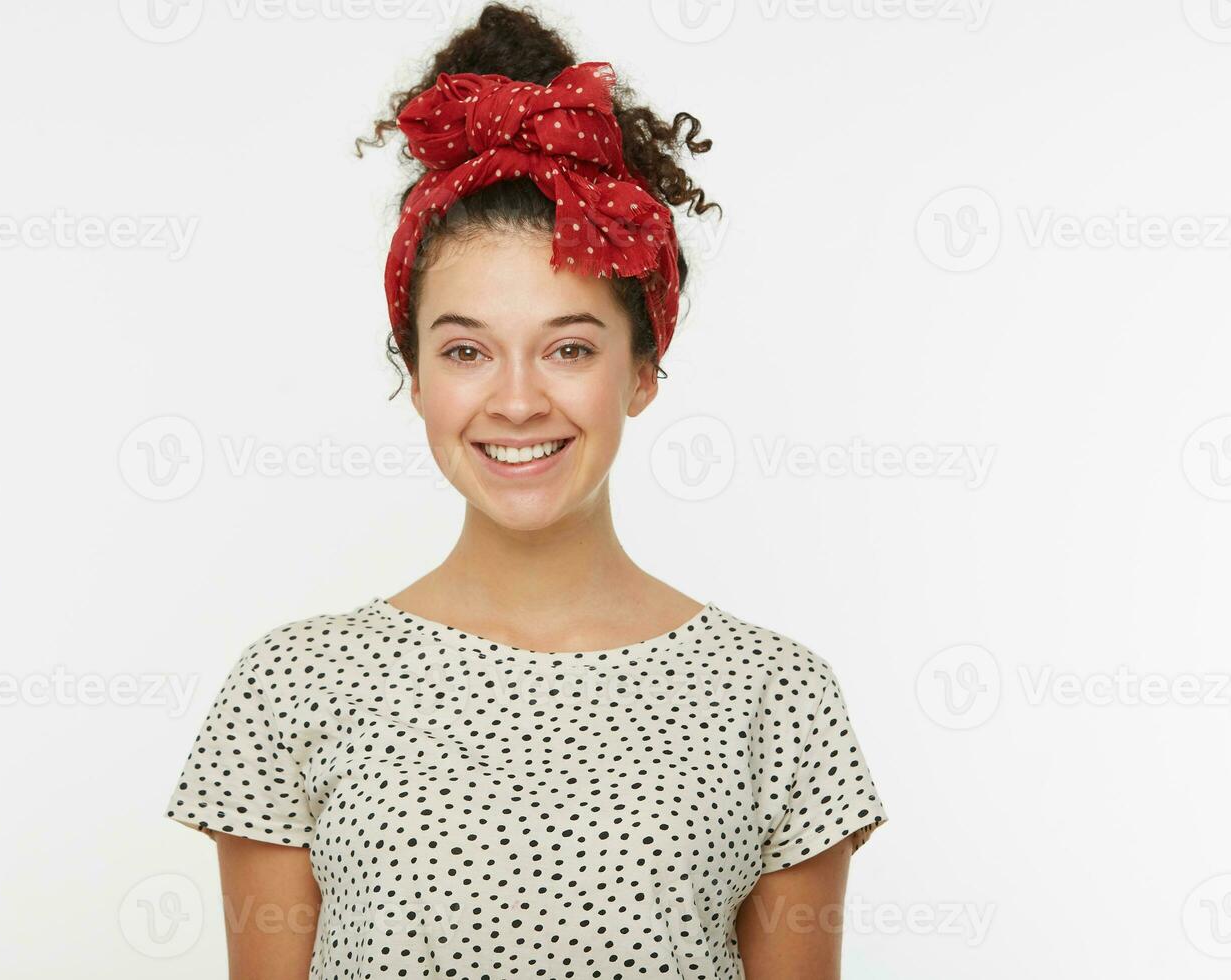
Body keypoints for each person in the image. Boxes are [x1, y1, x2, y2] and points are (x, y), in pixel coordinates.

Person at [163, 5, 887, 977]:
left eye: (570, 346)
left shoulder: (775, 699)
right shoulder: (292, 688)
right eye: (466, 349)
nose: (515, 398)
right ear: (415, 374)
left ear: (642, 368)